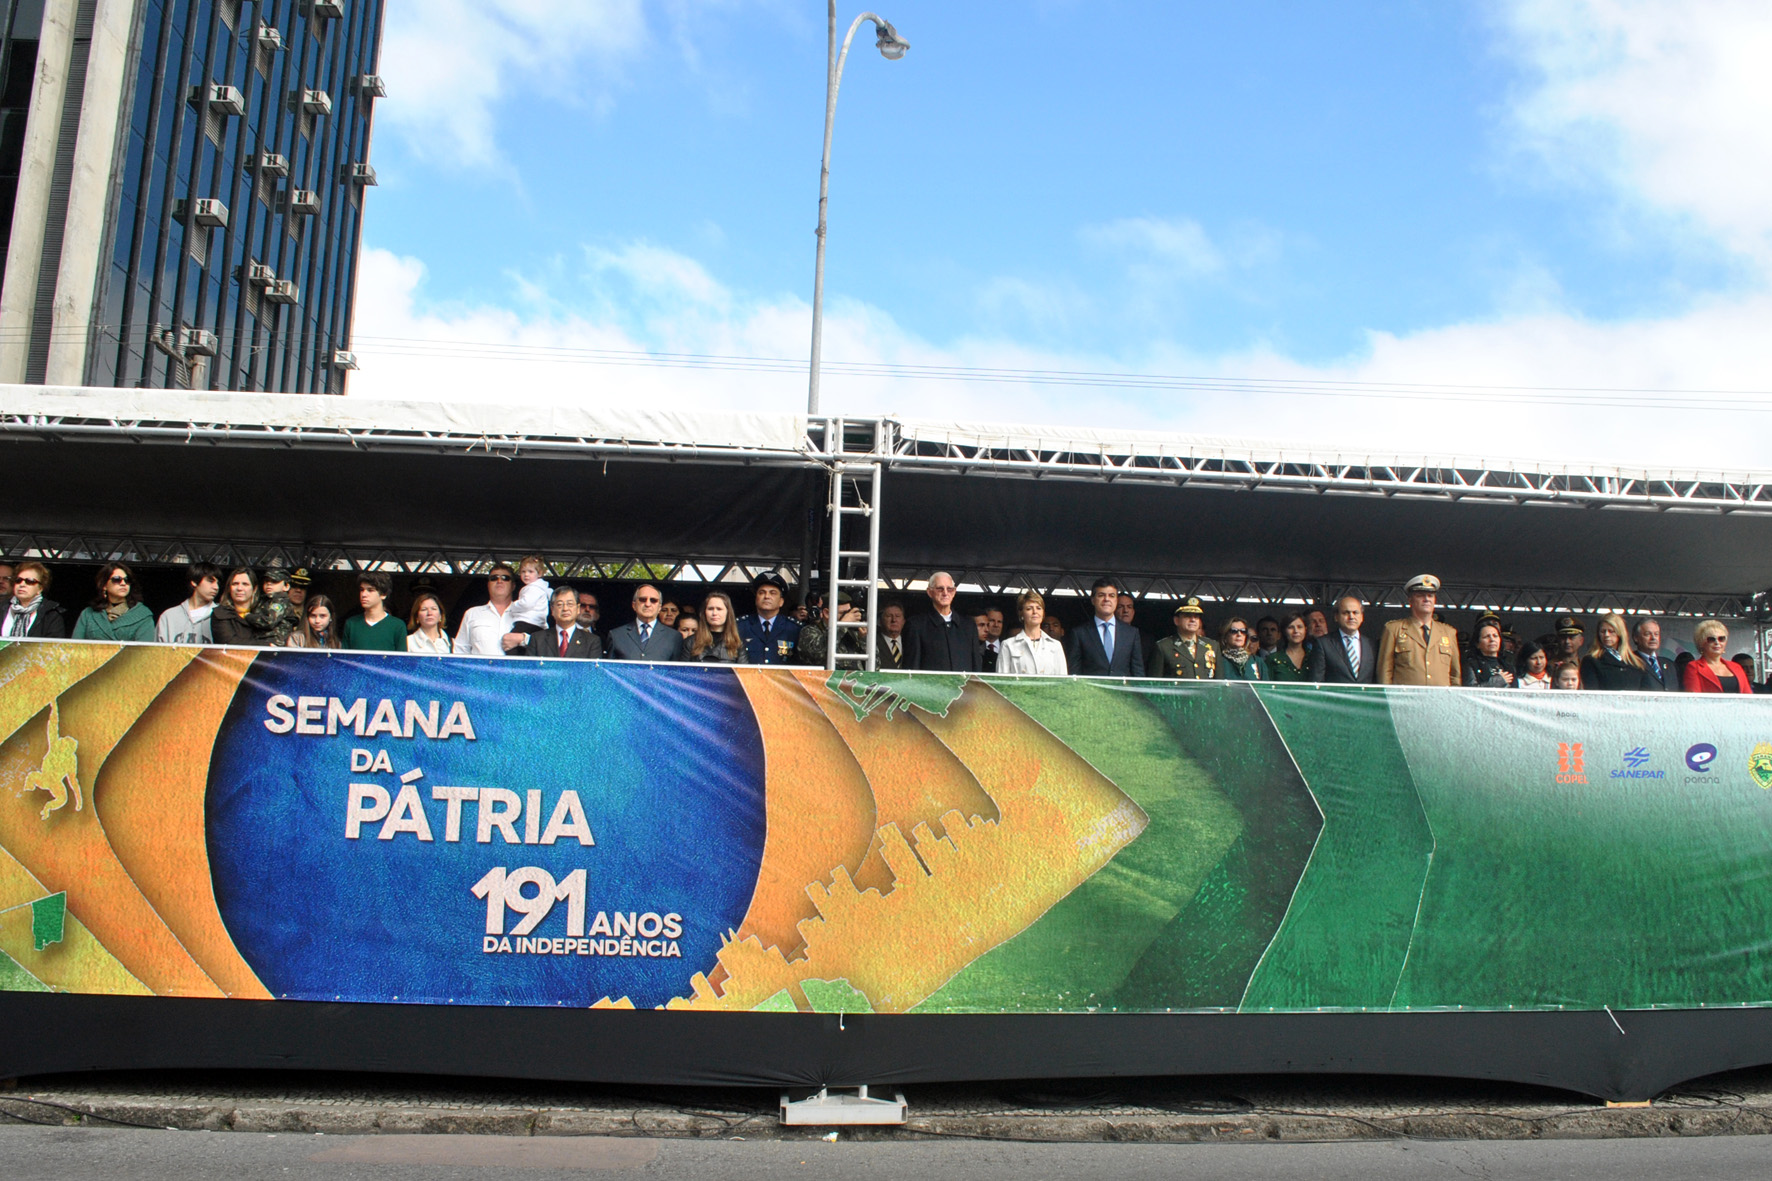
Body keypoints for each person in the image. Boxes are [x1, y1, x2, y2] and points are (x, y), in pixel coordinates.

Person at [1377, 575, 1461, 686]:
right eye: (1420, 595)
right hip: (1406, 696)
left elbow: (1455, 675)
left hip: (1440, 696)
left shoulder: (1448, 632)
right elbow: (1385, 671)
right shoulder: (1394, 629)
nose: (1426, 599)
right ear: (1410, 600)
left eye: (1430, 595)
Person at [904, 571, 982, 672]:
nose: (945, 593)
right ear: (929, 592)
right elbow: (912, 668)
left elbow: (976, 666)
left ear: (954, 592)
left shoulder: (968, 625)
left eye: (949, 589)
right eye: (940, 589)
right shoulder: (916, 625)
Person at [1066, 577, 1145, 677]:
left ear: (1116, 600)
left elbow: (1138, 671)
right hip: (1092, 687)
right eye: (1101, 595)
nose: (1107, 599)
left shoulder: (1131, 633)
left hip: (1122, 687)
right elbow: (1074, 674)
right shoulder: (1079, 633)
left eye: (1111, 596)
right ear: (1093, 600)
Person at [71, 563, 155, 642]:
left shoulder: (142, 615)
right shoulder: (88, 614)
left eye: (127, 580)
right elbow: (75, 647)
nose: (123, 583)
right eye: (117, 579)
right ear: (104, 585)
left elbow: (144, 650)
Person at [518, 585, 602, 659]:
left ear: (577, 609)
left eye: (570, 604)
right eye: (559, 604)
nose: (565, 609)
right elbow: (530, 670)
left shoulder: (592, 641)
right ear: (552, 610)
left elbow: (593, 670)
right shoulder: (537, 639)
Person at [607, 584, 685, 661]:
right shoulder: (616, 635)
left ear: (659, 607)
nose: (648, 604)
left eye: (653, 600)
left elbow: (676, 668)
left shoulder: (674, 637)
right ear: (634, 605)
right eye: (643, 599)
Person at [454, 564, 519, 656]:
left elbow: (537, 641)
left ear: (513, 586)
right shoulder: (472, 613)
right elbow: (460, 650)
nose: (499, 581)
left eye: (505, 578)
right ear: (488, 585)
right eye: (494, 578)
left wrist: (522, 639)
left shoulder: (525, 614)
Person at [998, 590, 1067, 675]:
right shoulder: (1008, 645)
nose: (1035, 612)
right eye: (1029, 608)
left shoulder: (1055, 645)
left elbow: (1062, 679)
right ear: (1021, 614)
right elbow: (1001, 680)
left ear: (1043, 613)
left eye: (1038, 608)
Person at [737, 573, 801, 665]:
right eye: (762, 592)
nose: (767, 596)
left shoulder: (794, 629)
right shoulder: (740, 626)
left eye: (773, 593)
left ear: (781, 602)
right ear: (756, 599)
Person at [1310, 595, 1375, 684]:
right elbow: (1317, 681)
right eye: (1346, 613)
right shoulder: (1323, 644)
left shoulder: (1372, 645)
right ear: (1336, 617)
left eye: (1355, 612)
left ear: (1362, 617)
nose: (1351, 617)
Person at [1580, 612, 1650, 691]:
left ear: (1620, 633)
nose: (1606, 635)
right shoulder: (1591, 660)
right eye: (1603, 631)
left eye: (1611, 631)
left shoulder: (1637, 663)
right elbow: (1592, 692)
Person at [156, 561, 221, 644]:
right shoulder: (169, 616)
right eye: (210, 581)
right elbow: (156, 650)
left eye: (218, 583)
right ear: (194, 582)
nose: (216, 587)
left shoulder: (221, 616)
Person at [1154, 597, 1218, 679]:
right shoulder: (1164, 646)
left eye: (1196, 616)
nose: (1193, 620)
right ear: (1177, 620)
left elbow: (1220, 681)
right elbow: (1155, 682)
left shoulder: (1212, 645)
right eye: (1188, 616)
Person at [342, 572, 406, 652]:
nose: (363, 594)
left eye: (370, 590)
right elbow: (344, 657)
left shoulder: (397, 626)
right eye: (362, 590)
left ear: (384, 594)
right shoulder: (351, 624)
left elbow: (401, 658)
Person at [1684, 620, 1754, 693]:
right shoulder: (1694, 667)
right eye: (1711, 639)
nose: (1717, 642)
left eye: (1721, 639)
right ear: (1701, 643)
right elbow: (1694, 697)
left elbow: (1747, 695)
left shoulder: (1736, 667)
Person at [797, 592, 865, 666]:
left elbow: (871, 663)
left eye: (849, 612)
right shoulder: (809, 631)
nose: (849, 617)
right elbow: (817, 654)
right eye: (843, 613)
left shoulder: (852, 633)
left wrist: (863, 639)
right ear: (827, 613)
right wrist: (842, 626)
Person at [1, 562, 66, 638]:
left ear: (40, 588)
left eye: (30, 581)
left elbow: (53, 643)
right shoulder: (2, 608)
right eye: (18, 580)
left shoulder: (51, 615)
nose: (22, 584)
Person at [248, 566, 301, 648]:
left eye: (274, 581)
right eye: (266, 581)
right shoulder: (264, 600)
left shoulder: (280, 601)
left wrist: (248, 616)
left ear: (286, 586)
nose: (269, 584)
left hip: (275, 644)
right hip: (261, 642)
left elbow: (270, 622)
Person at [689, 591, 745, 663]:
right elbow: (681, 669)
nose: (714, 613)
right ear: (704, 612)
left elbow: (743, 669)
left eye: (719, 609)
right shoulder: (691, 642)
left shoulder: (738, 644)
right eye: (710, 609)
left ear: (728, 612)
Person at [506, 555, 552, 643]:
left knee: (510, 641)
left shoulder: (533, 588)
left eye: (530, 571)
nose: (526, 574)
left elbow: (526, 604)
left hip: (527, 622)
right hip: (538, 624)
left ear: (539, 573)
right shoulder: (543, 588)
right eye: (523, 571)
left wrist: (513, 606)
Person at [210, 568, 260, 646]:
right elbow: (229, 643)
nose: (239, 588)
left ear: (254, 589)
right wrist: (266, 645)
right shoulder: (220, 613)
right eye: (235, 584)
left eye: (245, 584)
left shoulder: (263, 612)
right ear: (229, 588)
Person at [1462, 622, 1516, 687]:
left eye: (1495, 636)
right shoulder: (1472, 665)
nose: (1492, 639)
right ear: (1477, 644)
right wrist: (1496, 682)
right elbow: (1470, 690)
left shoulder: (1508, 667)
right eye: (1486, 637)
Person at [1264, 612, 1312, 681]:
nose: (1296, 631)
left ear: (1306, 629)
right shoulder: (1273, 659)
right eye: (1291, 627)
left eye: (1300, 627)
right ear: (1284, 631)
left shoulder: (1314, 657)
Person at [875, 601, 907, 669]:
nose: (894, 620)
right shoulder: (874, 642)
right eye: (889, 616)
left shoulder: (910, 642)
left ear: (903, 621)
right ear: (880, 621)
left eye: (897, 616)